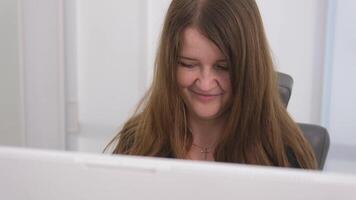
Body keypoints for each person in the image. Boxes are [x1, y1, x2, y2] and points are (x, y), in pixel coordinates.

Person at [105, 0, 317, 169]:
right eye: (188, 64)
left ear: (249, 69)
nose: (205, 84)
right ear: (170, 65)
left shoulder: (284, 155)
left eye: (223, 67)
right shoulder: (138, 141)